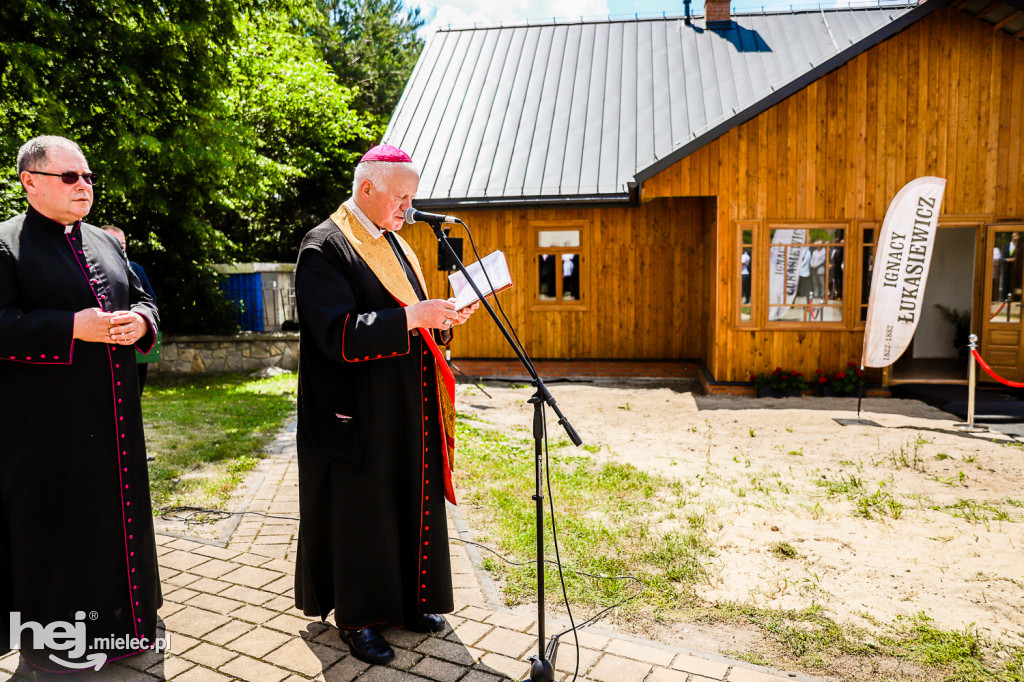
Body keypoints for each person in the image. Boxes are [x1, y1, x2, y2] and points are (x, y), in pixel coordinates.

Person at [293, 144, 479, 666]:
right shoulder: (324, 246)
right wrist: (415, 317)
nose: (408, 208)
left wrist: (439, 321)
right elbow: (336, 335)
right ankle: (360, 618)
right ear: (366, 188)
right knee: (364, 513)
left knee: (408, 500)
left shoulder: (398, 245)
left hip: (405, 403)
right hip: (355, 411)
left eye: (412, 198)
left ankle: (409, 603)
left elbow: (413, 318)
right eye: (401, 197)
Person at [0, 136, 161, 671]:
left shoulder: (105, 241)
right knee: (59, 531)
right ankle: (56, 645)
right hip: (47, 429)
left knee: (117, 523)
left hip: (116, 422)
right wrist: (74, 327)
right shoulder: (5, 245)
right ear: (30, 181)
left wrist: (142, 321)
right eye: (70, 178)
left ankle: (125, 630)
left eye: (88, 177)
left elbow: (141, 298)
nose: (84, 186)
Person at [102, 225, 157, 393]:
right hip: (103, 341)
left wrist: (139, 319)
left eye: (123, 243)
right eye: (114, 242)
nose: (120, 247)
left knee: (135, 389)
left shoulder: (135, 268)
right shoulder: (88, 269)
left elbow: (150, 300)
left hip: (133, 337)